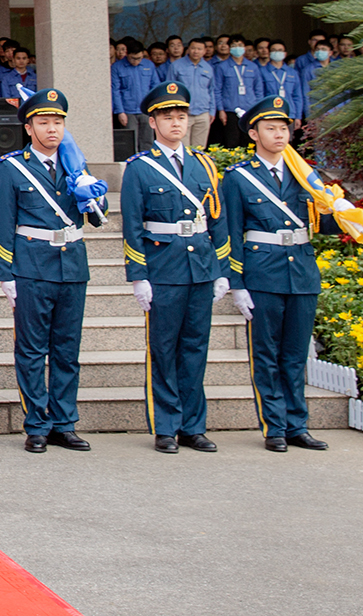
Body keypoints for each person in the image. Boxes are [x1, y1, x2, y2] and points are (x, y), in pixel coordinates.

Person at [225, 96, 350, 452]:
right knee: (266, 355)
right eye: (271, 128)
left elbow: (322, 225)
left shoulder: (305, 175)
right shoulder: (238, 178)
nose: (280, 135)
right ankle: (275, 426)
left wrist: (341, 212)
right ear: (253, 134)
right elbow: (230, 233)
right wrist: (237, 283)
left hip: (302, 272)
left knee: (295, 355)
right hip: (263, 272)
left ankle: (297, 425)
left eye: (284, 128)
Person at [120, 81, 230, 454]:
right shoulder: (140, 168)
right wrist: (138, 276)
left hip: (200, 266)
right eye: (168, 117)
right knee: (164, 349)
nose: (176, 123)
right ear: (153, 122)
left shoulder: (205, 165)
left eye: (181, 116)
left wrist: (222, 270)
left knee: (195, 348)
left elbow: (218, 220)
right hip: (163, 267)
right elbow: (132, 226)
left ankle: (193, 426)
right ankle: (166, 426)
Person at [0, 89, 91, 453]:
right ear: (29, 128)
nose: (52, 129)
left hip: (72, 265)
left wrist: (93, 197)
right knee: (32, 350)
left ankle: (64, 423)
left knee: (67, 350)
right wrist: (5, 273)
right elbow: (4, 223)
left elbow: (95, 217)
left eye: (58, 122)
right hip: (32, 266)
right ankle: (37, 423)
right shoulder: (12, 167)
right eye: (45, 122)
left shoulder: (75, 165)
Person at [167, 39, 217, 150]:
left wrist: (212, 111)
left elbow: (211, 90)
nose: (196, 51)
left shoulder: (208, 68)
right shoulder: (176, 66)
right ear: (188, 49)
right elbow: (170, 89)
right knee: (182, 147)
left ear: (204, 51)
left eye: (199, 49)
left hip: (203, 112)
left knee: (199, 149)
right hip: (182, 112)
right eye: (193, 48)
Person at [213, 36, 262, 147]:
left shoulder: (253, 67)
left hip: (250, 110)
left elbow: (258, 90)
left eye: (240, 45)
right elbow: (217, 90)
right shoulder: (222, 67)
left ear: (244, 47)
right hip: (230, 110)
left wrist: (257, 109)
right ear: (229, 48)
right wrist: (221, 110)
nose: (237, 48)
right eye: (234, 46)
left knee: (249, 142)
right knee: (231, 142)